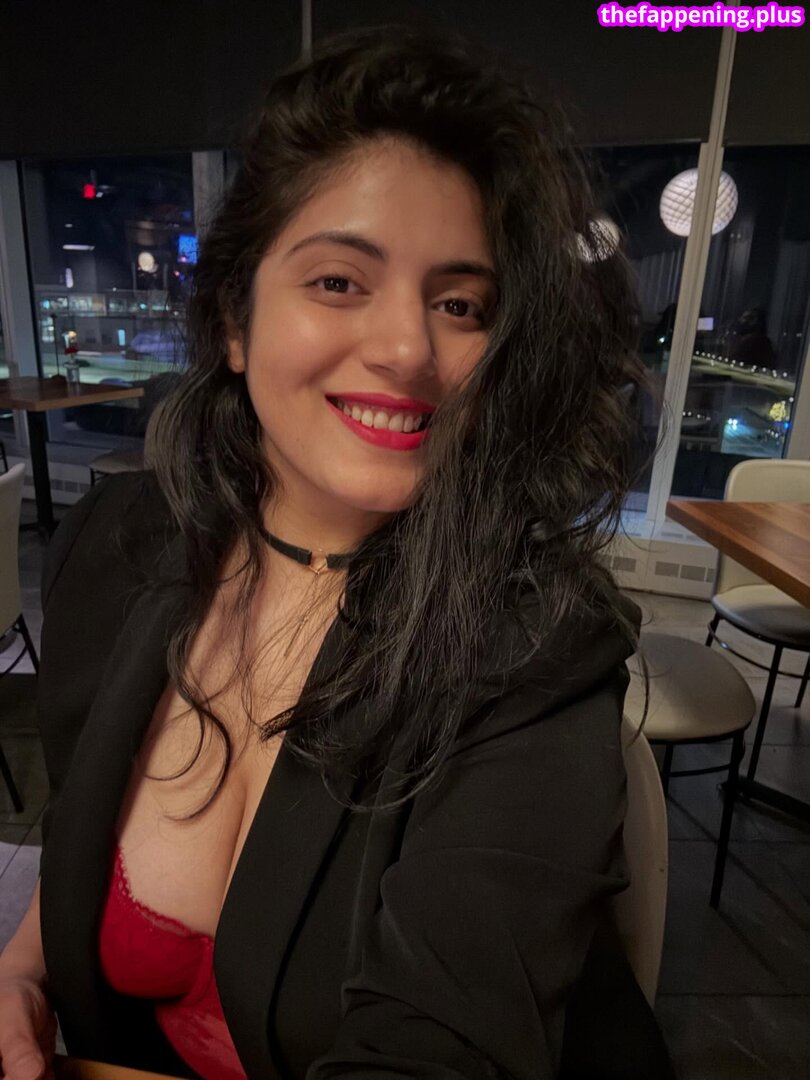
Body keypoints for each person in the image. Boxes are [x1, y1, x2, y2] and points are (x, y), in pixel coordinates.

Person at [0, 25, 673, 1080]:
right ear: (235, 321)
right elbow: (81, 835)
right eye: (338, 282)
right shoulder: (120, 544)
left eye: (460, 305)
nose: (408, 349)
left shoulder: (537, 644)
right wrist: (22, 970)